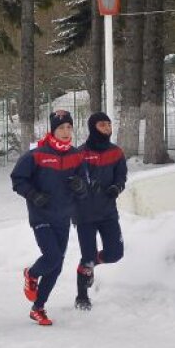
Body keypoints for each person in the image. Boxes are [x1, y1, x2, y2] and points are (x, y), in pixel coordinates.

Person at [10, 109, 88, 326]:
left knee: (57, 265)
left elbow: (85, 186)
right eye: (61, 128)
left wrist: (80, 186)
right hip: (41, 215)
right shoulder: (36, 154)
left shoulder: (75, 155)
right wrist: (34, 195)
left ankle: (38, 307)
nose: (65, 131)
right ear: (52, 131)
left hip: (63, 216)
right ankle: (31, 274)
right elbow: (18, 179)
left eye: (68, 127)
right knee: (52, 257)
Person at [72, 112, 127, 310]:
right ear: (93, 127)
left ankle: (90, 264)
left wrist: (116, 188)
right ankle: (82, 296)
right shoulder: (79, 153)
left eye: (108, 124)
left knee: (115, 253)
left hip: (108, 213)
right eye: (102, 125)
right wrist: (83, 188)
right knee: (87, 257)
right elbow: (72, 181)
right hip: (84, 215)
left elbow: (121, 178)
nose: (106, 128)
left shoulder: (116, 152)